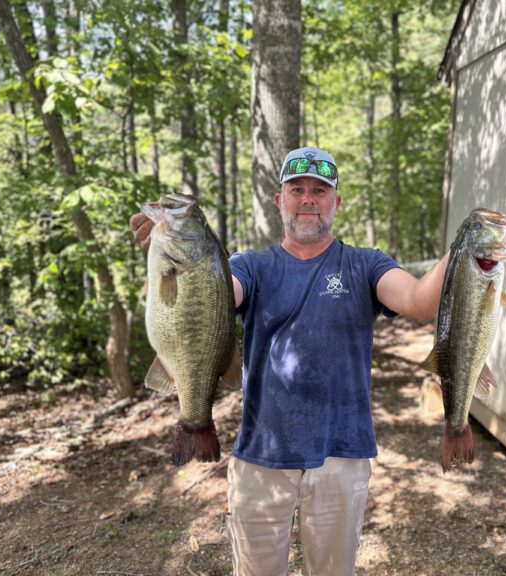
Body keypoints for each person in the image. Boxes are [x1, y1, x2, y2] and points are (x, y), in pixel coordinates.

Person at [131, 146, 452, 576]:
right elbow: (213, 297)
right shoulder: (251, 266)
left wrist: (467, 247)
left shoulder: (365, 264)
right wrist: (169, 257)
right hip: (262, 456)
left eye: (320, 190)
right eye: (296, 189)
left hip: (342, 453)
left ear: (336, 202)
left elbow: (419, 300)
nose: (307, 199)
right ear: (279, 199)